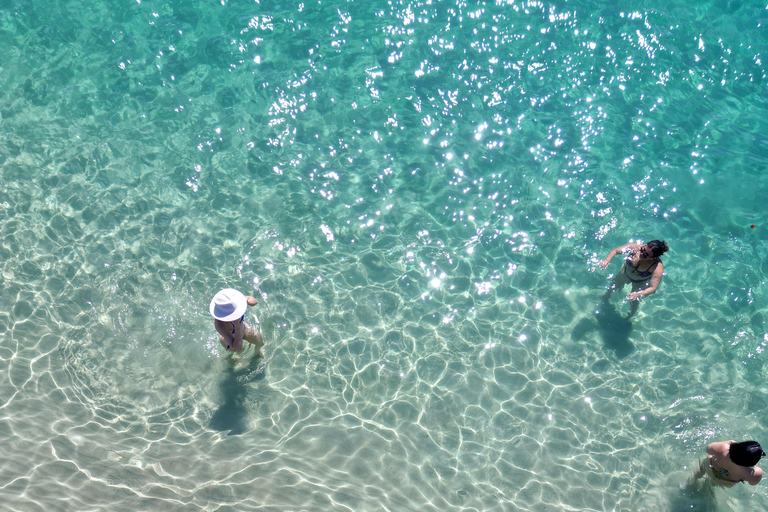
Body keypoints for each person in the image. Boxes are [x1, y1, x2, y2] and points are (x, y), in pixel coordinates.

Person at [598, 239, 669, 318]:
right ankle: (604, 300)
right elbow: (615, 251)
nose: (641, 254)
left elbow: (653, 288)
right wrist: (606, 260)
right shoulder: (635, 247)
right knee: (612, 287)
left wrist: (638, 294)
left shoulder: (657, 267)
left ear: (654, 258)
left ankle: (629, 316)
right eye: (643, 250)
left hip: (640, 282)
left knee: (634, 301)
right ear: (645, 244)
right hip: (625, 273)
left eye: (646, 255)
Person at [210, 288, 264, 353]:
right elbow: (238, 347)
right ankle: (237, 360)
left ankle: (258, 353)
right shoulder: (220, 325)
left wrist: (247, 301)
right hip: (231, 339)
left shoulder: (235, 304)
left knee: (260, 342)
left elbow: (254, 301)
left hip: (244, 329)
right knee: (238, 353)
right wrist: (237, 327)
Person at [692, 440, 765, 487]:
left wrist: (730, 442)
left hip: (709, 466)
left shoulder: (724, 450)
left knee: (699, 472)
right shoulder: (754, 473)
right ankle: (708, 485)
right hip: (724, 480)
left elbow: (708, 449)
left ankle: (692, 480)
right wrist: (755, 464)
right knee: (712, 484)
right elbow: (752, 483)